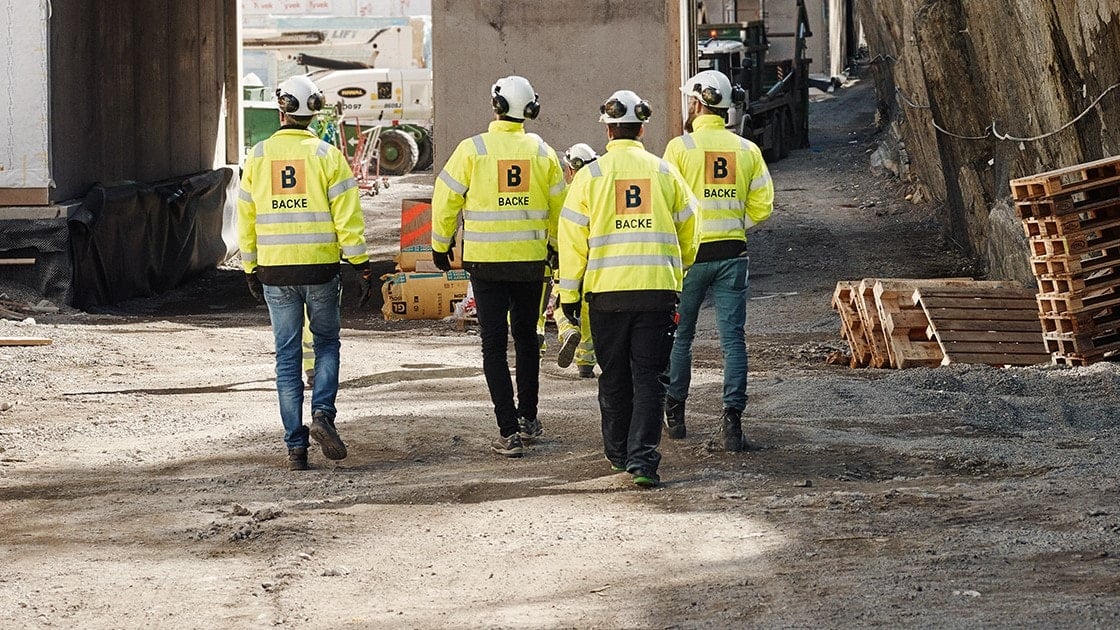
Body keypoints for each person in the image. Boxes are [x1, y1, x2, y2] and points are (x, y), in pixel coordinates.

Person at [557, 89, 699, 488]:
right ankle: (643, 462)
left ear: (607, 129)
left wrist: (569, 296)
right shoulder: (664, 171)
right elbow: (692, 226)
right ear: (642, 130)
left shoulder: (589, 176)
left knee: (613, 375)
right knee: (650, 378)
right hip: (657, 293)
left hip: (607, 296)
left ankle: (618, 453)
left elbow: (571, 242)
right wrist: (678, 267)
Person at [238, 74, 373, 471]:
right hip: (320, 270)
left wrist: (249, 266)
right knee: (327, 344)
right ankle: (323, 416)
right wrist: (360, 264)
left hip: (275, 273)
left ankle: (295, 448)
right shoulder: (328, 157)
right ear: (314, 112)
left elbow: (245, 218)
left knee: (287, 356)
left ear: (281, 108)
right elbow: (348, 217)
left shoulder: (259, 157)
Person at [431, 75, 566, 458]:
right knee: (526, 339)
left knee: (493, 345)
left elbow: (445, 199)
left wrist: (441, 246)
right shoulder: (543, 153)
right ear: (531, 111)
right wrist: (556, 251)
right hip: (529, 264)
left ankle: (507, 431)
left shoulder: (472, 149)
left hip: (486, 265)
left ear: (497, 106)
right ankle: (528, 418)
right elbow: (560, 210)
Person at [662, 70, 774, 452]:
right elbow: (763, 206)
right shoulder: (747, 150)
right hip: (732, 254)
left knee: (681, 336)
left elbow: (667, 205)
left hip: (691, 257)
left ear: (696, 104)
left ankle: (675, 413)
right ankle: (732, 422)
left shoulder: (679, 149)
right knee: (733, 341)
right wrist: (733, 223)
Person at [554, 143, 599, 377]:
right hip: (601, 264)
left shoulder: (570, 192)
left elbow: (569, 237)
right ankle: (586, 361)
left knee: (561, 305)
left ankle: (568, 330)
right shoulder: (602, 186)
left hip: (572, 260)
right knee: (590, 312)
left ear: (572, 169)